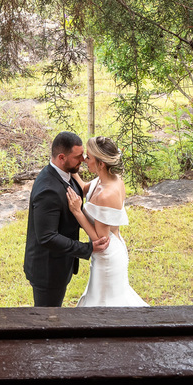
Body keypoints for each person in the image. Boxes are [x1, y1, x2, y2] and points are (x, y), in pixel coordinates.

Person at [23, 131, 109, 306]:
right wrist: (88, 248)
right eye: (78, 156)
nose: (83, 160)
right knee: (48, 318)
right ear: (62, 157)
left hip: (60, 265)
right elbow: (47, 237)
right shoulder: (48, 190)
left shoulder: (66, 174)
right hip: (47, 272)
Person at [66, 135, 148, 307]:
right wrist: (70, 167)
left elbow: (100, 239)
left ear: (101, 164)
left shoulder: (106, 195)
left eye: (89, 157)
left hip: (107, 256)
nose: (84, 160)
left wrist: (77, 211)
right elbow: (84, 188)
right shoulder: (104, 179)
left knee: (104, 305)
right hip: (106, 252)